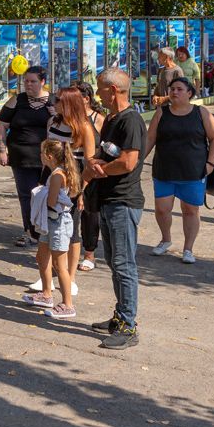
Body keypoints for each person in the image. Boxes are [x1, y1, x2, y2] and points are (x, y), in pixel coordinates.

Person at [85, 68, 147, 350]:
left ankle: (128, 325)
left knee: (124, 264)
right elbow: (106, 152)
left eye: (100, 89)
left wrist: (100, 170)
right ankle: (120, 315)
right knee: (114, 261)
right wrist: (94, 162)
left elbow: (128, 162)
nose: (97, 94)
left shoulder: (130, 120)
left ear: (114, 90)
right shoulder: (111, 119)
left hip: (124, 201)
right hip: (108, 200)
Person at [144, 77, 214, 264]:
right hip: (164, 170)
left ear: (189, 93)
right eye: (172, 89)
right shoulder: (161, 113)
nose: (174, 92)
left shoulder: (201, 112)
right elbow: (150, 139)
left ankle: (188, 249)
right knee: (162, 209)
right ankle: (165, 239)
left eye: (179, 89)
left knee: (190, 210)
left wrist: (210, 164)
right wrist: (137, 161)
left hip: (193, 171)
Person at [27, 87, 95, 295]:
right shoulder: (53, 122)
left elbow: (89, 163)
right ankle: (45, 278)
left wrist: (82, 192)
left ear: (69, 103)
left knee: (71, 231)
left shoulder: (84, 128)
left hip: (72, 184)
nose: (53, 103)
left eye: (58, 100)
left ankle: (69, 278)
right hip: (50, 177)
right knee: (45, 227)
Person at [22, 140, 80, 319]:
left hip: (58, 223)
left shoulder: (57, 176)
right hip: (50, 222)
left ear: (49, 156)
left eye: (41, 153)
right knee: (41, 257)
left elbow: (52, 202)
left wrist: (41, 194)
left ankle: (67, 304)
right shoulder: (56, 173)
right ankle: (46, 294)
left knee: (59, 265)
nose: (39, 156)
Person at [0, 66, 51, 247]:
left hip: (47, 158)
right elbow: (2, 125)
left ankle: (45, 230)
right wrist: (2, 150)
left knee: (46, 194)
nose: (28, 84)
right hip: (21, 157)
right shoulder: (17, 100)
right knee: (26, 195)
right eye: (26, 81)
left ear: (43, 82)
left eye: (33, 81)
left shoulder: (53, 101)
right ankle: (29, 231)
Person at [73, 81, 105, 272]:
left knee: (90, 212)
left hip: (91, 169)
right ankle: (69, 250)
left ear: (86, 99)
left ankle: (89, 253)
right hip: (71, 168)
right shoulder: (68, 118)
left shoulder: (98, 119)